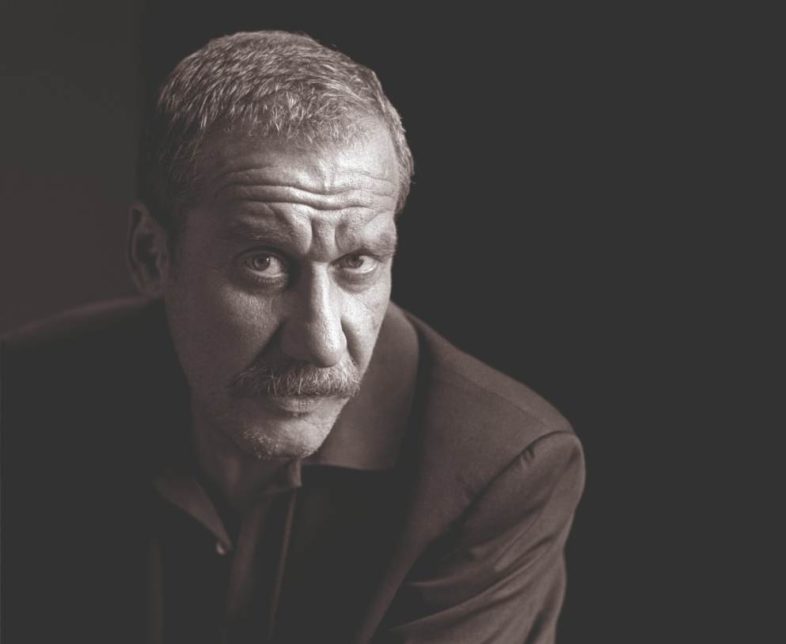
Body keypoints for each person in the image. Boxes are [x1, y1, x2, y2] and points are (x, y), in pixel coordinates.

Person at [0, 30, 584, 643]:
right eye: (264, 263)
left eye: (357, 262)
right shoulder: (26, 398)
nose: (322, 343)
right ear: (152, 255)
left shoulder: (500, 468)